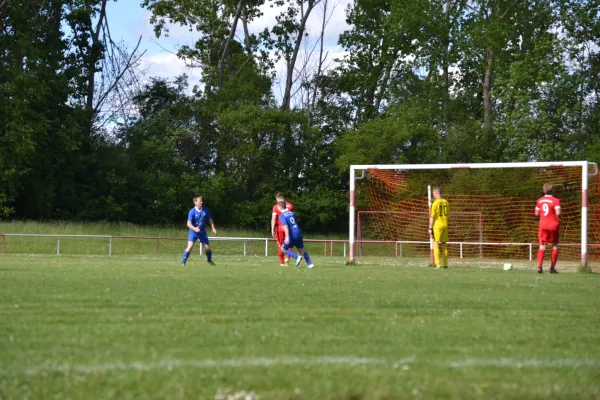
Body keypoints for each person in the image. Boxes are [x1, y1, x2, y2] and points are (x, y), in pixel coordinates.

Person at [181, 195, 217, 266]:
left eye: (201, 201)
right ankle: (183, 262)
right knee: (190, 246)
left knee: (207, 248)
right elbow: (188, 224)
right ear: (195, 202)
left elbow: (210, 219)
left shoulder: (205, 210)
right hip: (193, 232)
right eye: (200, 201)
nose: (201, 202)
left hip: (202, 232)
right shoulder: (192, 211)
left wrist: (213, 228)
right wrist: (195, 229)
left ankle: (209, 260)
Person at [278, 200, 314, 269]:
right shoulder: (292, 213)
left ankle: (297, 257)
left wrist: (287, 237)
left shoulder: (282, 215)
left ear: (279, 207)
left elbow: (286, 226)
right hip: (299, 232)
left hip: (292, 234)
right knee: (301, 250)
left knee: (282, 248)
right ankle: (310, 264)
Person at [535, 183, 561, 273]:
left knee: (542, 246)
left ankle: (539, 266)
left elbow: (536, 214)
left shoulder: (539, 200)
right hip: (553, 225)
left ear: (543, 190)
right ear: (552, 190)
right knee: (555, 245)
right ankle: (552, 268)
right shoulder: (556, 200)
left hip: (543, 225)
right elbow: (558, 213)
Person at [429, 186, 450, 269]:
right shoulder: (446, 202)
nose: (433, 195)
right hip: (445, 225)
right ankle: (445, 265)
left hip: (437, 226)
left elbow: (432, 217)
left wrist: (430, 228)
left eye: (433, 193)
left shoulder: (435, 203)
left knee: (436, 244)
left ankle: (438, 265)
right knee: (444, 244)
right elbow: (448, 215)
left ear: (436, 193)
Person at [271, 193, 294, 266]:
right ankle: (287, 258)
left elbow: (274, 219)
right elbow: (292, 217)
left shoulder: (276, 207)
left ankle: (282, 263)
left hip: (279, 229)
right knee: (289, 244)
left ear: (277, 199)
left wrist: (272, 229)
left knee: (281, 245)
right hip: (289, 228)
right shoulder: (290, 205)